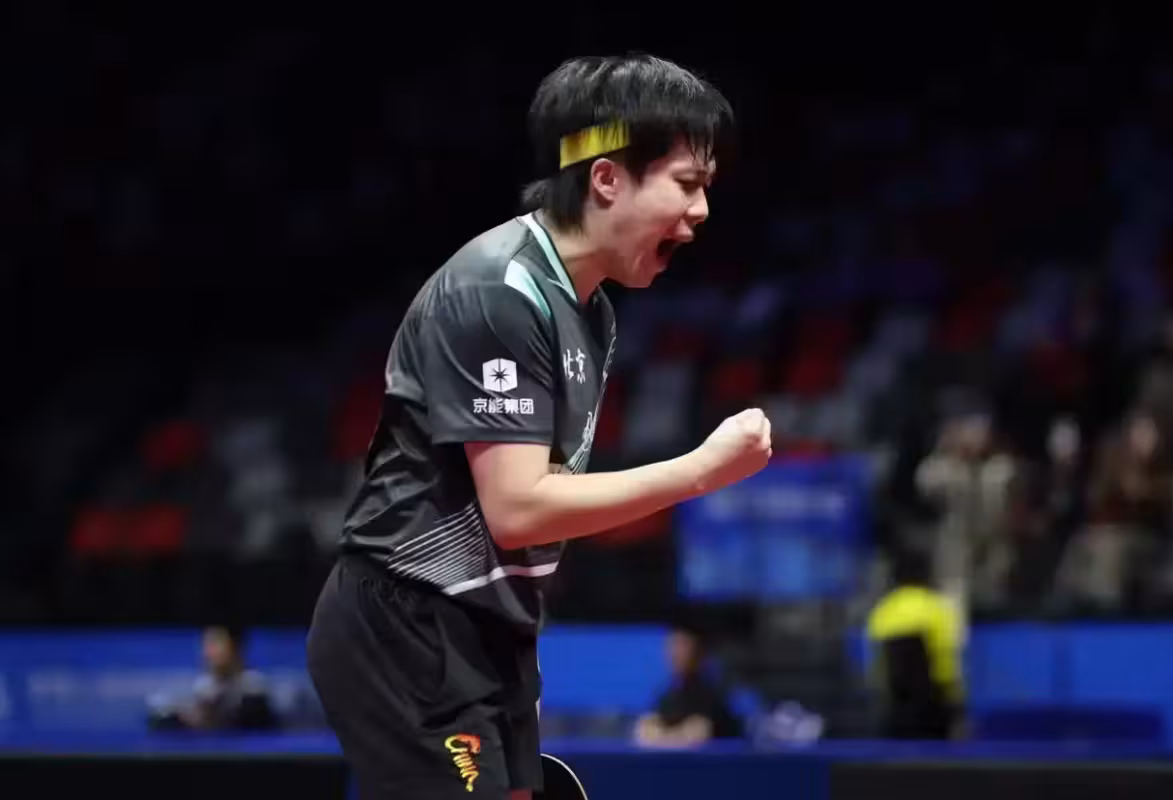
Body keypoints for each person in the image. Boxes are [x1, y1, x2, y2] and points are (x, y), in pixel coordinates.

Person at [306, 54, 771, 800]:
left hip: (492, 628)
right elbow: (518, 508)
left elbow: (545, 498)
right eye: (687, 183)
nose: (702, 211)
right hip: (407, 620)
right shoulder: (499, 289)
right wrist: (700, 472)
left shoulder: (590, 312)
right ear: (607, 178)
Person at [865, 548, 966, 740]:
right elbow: (947, 659)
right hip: (933, 707)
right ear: (925, 574)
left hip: (894, 706)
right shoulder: (936, 608)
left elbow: (875, 664)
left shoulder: (882, 610)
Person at [148, 625, 279, 732]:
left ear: (236, 646)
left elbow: (243, 722)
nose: (208, 652)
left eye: (215, 643)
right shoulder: (203, 685)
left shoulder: (254, 685)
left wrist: (200, 719)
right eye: (205, 644)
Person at [634, 623, 743, 748]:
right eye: (672, 644)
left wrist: (662, 738)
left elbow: (697, 736)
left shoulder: (715, 697)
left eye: (683, 644)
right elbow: (645, 731)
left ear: (700, 652)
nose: (675, 652)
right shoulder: (667, 697)